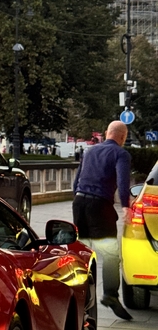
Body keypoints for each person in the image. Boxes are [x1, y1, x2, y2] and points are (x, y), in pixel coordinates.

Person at [72, 120, 132, 320]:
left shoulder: (89, 152)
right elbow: (123, 183)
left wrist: (80, 200)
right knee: (111, 254)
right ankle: (110, 296)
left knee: (82, 252)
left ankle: (79, 295)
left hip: (79, 202)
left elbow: (76, 181)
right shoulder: (121, 154)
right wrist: (125, 206)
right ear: (122, 137)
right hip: (100, 207)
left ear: (107, 133)